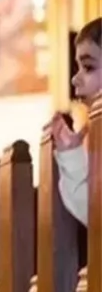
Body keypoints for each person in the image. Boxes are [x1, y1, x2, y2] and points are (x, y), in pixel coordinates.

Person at [46, 17, 100, 228]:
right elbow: (94, 216)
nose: (74, 79)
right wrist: (71, 154)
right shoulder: (94, 135)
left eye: (88, 67)